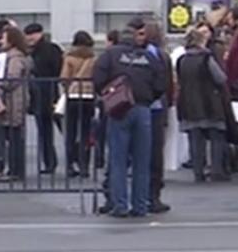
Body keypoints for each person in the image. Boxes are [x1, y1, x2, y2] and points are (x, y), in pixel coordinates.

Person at [93, 26, 165, 218]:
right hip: (143, 109)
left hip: (119, 109)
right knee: (142, 161)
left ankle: (120, 205)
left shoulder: (110, 56)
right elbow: (161, 83)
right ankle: (140, 205)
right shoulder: (148, 57)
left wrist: (108, 95)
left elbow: (98, 78)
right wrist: (148, 98)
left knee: (118, 160)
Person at [177, 29, 230, 183]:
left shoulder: (182, 60)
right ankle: (216, 170)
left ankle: (198, 172)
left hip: (189, 103)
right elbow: (220, 78)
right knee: (216, 136)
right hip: (210, 102)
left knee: (195, 137)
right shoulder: (206, 59)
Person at [24, 23, 63, 174]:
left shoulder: (50, 49)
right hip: (42, 94)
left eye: (32, 34)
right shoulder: (33, 51)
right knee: (45, 130)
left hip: (49, 92)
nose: (30, 38)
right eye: (28, 35)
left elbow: (57, 69)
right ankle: (49, 162)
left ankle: (57, 162)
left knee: (55, 128)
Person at [145, 22, 173, 214]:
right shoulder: (162, 56)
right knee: (155, 153)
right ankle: (153, 195)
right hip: (156, 107)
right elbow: (167, 84)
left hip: (135, 106)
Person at [61, 30, 96, 178]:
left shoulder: (69, 57)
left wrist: (68, 87)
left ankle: (70, 165)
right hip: (88, 96)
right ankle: (84, 166)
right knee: (85, 132)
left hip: (73, 96)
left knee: (71, 131)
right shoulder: (93, 58)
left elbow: (64, 77)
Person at [0, 27, 30, 182]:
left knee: (13, 135)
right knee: (15, 135)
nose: (1, 41)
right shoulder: (18, 56)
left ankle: (14, 170)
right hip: (17, 98)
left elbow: (12, 79)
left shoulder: (14, 58)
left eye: (4, 38)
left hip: (14, 99)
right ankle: (16, 169)